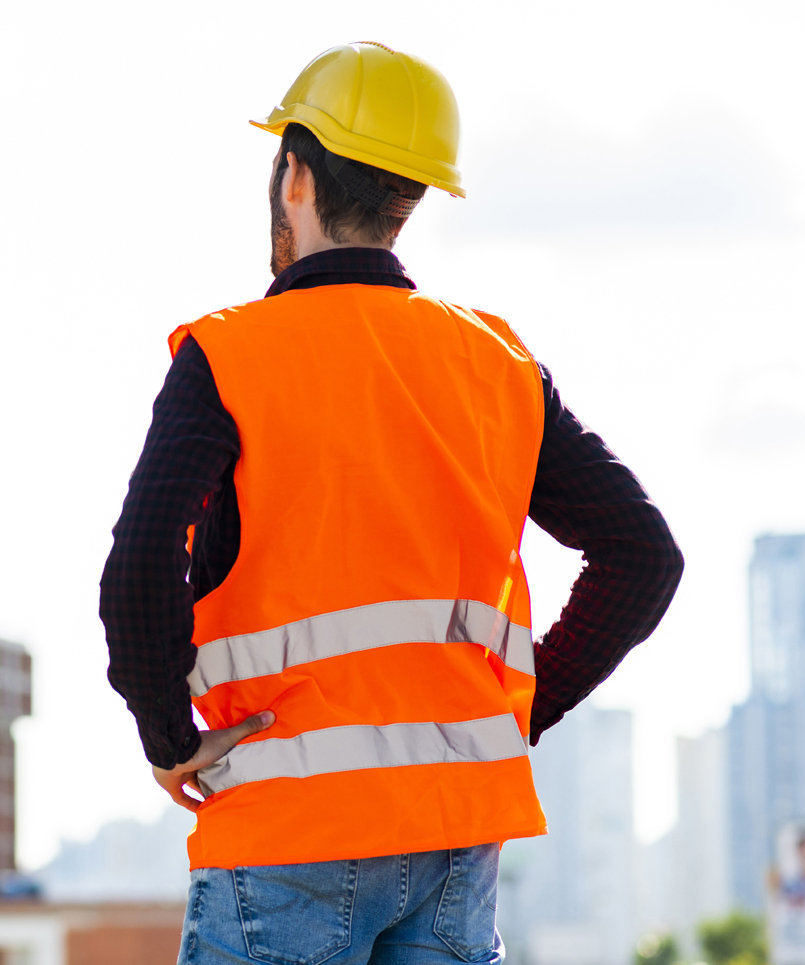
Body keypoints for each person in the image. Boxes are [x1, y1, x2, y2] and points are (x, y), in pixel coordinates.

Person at [100, 41, 683, 965]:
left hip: (285, 833)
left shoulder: (232, 356)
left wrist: (168, 736)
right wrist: (523, 710)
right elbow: (643, 556)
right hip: (455, 834)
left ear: (292, 171)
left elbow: (138, 571)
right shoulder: (493, 362)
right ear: (408, 200)